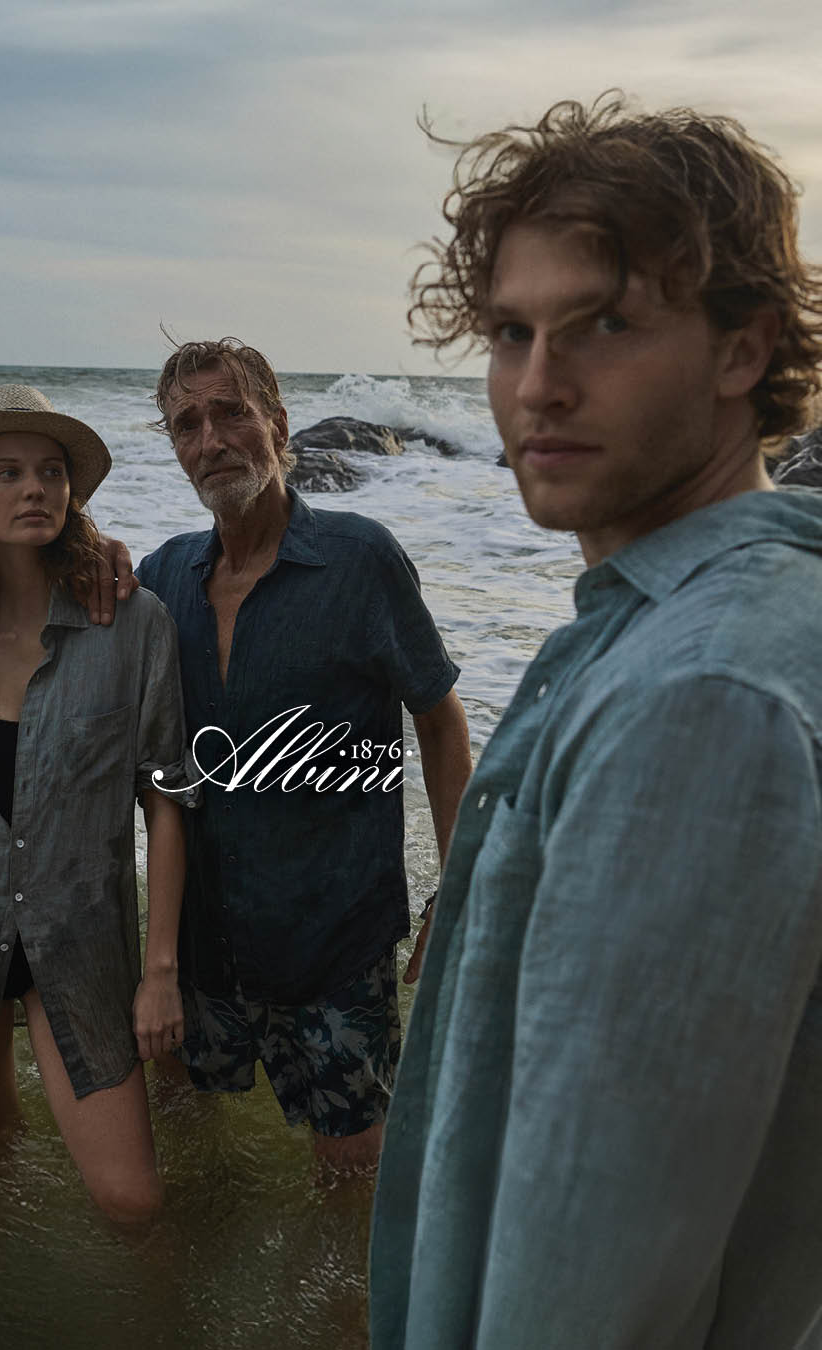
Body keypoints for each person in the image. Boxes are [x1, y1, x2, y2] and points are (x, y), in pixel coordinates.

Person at [370, 94, 822, 1347]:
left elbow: (586, 1282)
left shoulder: (701, 698)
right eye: (511, 334)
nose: (537, 387)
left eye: (605, 325)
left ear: (742, 351)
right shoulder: (692, 624)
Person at [135, 338, 473, 1171]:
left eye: (231, 414)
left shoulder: (360, 560)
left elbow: (439, 722)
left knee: (351, 1174)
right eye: (186, 425)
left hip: (335, 944)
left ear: (278, 425)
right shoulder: (163, 579)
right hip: (205, 947)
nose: (210, 440)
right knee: (190, 1151)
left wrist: (459, 890)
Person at [0, 384, 192, 1222]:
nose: (35, 489)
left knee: (131, 1203)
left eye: (51, 471)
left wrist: (159, 974)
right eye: (8, 472)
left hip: (76, 941)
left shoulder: (133, 626)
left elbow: (167, 799)